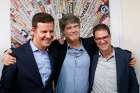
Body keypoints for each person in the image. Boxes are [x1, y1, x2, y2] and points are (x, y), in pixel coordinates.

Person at [1, 14, 137, 93]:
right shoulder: (56, 47)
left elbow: (104, 42)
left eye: (76, 26)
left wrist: (126, 56)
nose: (73, 30)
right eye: (69, 28)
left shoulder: (90, 44)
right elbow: (29, 52)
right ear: (63, 32)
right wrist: (6, 53)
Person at [0, 12, 57, 93]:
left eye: (51, 31)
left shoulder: (54, 52)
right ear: (33, 31)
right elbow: (5, 89)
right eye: (44, 32)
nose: (48, 36)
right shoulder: (14, 55)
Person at [88, 24, 139, 93]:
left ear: (110, 36)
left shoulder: (125, 57)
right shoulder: (92, 58)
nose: (102, 41)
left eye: (105, 37)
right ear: (95, 40)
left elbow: (134, 85)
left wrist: (130, 55)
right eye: (98, 38)